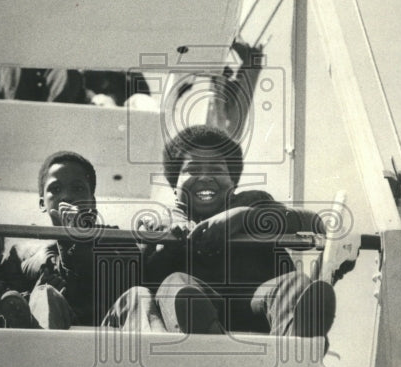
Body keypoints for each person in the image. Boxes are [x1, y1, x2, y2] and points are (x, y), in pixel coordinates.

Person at [105, 125, 336, 343]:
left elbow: (312, 223)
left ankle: (295, 341)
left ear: (233, 182)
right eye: (192, 169)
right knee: (176, 284)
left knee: (295, 283)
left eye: (217, 169)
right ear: (175, 184)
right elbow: (135, 276)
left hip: (256, 305)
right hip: (192, 317)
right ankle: (208, 341)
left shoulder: (253, 203)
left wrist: (244, 217)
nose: (205, 177)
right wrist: (158, 246)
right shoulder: (161, 222)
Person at [21, 150, 140, 329]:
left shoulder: (117, 240)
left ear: (92, 202)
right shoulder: (30, 254)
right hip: (57, 340)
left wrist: (79, 240)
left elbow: (128, 286)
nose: (67, 196)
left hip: (108, 335)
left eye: (77, 188)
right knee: (43, 293)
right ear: (42, 203)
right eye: (55, 189)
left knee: (138, 295)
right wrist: (34, 294)